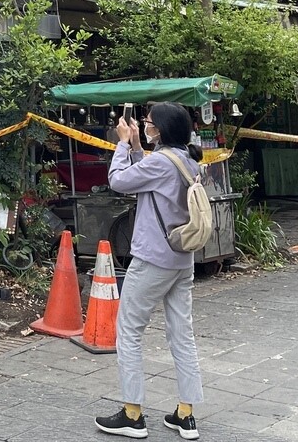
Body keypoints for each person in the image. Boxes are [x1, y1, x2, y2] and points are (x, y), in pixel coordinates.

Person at [95, 102, 203, 441]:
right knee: (181, 334)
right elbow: (152, 181)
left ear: (162, 130)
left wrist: (123, 144)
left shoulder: (160, 163)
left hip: (152, 260)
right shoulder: (187, 161)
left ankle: (132, 414)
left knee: (128, 331)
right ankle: (186, 414)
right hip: (181, 260)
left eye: (149, 122)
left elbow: (118, 181)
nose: (144, 124)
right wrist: (139, 148)